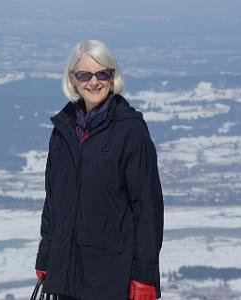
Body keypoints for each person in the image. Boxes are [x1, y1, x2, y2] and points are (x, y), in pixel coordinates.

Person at [35, 40, 164, 300]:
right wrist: (46, 254)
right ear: (72, 79)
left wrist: (144, 275)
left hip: (110, 278)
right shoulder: (63, 131)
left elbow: (147, 208)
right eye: (84, 74)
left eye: (101, 73)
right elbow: (53, 203)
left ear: (112, 76)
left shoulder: (130, 131)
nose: (93, 82)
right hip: (66, 276)